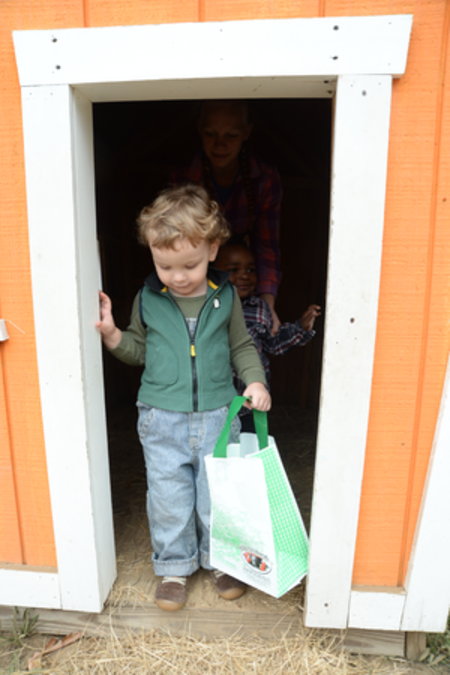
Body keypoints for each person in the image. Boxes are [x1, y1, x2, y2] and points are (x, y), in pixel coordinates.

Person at [96, 184, 271, 612]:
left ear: (212, 249)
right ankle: (174, 567)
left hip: (217, 415)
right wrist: (113, 335)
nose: (177, 276)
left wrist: (255, 381)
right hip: (161, 417)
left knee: (216, 494)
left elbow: (241, 346)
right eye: (165, 266)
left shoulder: (224, 297)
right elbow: (138, 350)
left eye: (189, 265)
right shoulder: (148, 299)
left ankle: (221, 561)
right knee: (168, 496)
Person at [170, 99, 282, 332]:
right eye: (211, 134)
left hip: (242, 274)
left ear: (246, 133)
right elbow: (178, 247)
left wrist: (268, 305)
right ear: (199, 130)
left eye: (231, 135)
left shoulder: (264, 179)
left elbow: (266, 245)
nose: (220, 144)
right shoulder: (183, 178)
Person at [215, 242, 320, 430]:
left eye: (251, 269)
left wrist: (300, 328)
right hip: (216, 404)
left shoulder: (259, 308)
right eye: (233, 270)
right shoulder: (208, 308)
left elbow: (273, 344)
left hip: (251, 401)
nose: (245, 275)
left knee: (248, 443)